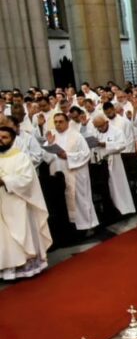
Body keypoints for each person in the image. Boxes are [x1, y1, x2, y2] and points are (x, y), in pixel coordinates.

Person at [0, 125, 50, 279]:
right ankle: (8, 269)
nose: (0, 141)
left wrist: (5, 181)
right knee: (5, 239)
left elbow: (27, 180)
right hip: (2, 204)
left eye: (4, 138)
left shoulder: (21, 157)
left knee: (21, 236)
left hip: (18, 203)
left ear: (13, 139)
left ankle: (27, 267)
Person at [44, 112, 99, 232]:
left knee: (80, 200)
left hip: (76, 174)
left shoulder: (77, 136)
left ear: (67, 122)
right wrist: (49, 144)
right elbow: (45, 157)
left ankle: (86, 226)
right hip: (59, 176)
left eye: (61, 121)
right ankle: (70, 227)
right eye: (56, 122)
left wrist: (67, 156)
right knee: (63, 201)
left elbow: (86, 154)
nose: (58, 124)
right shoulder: (52, 136)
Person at [91, 115, 136, 217]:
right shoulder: (96, 132)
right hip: (101, 164)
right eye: (97, 127)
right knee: (105, 188)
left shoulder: (117, 131)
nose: (99, 129)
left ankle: (123, 209)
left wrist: (105, 144)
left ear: (106, 122)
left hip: (114, 163)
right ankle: (110, 211)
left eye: (100, 126)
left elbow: (122, 145)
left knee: (117, 187)